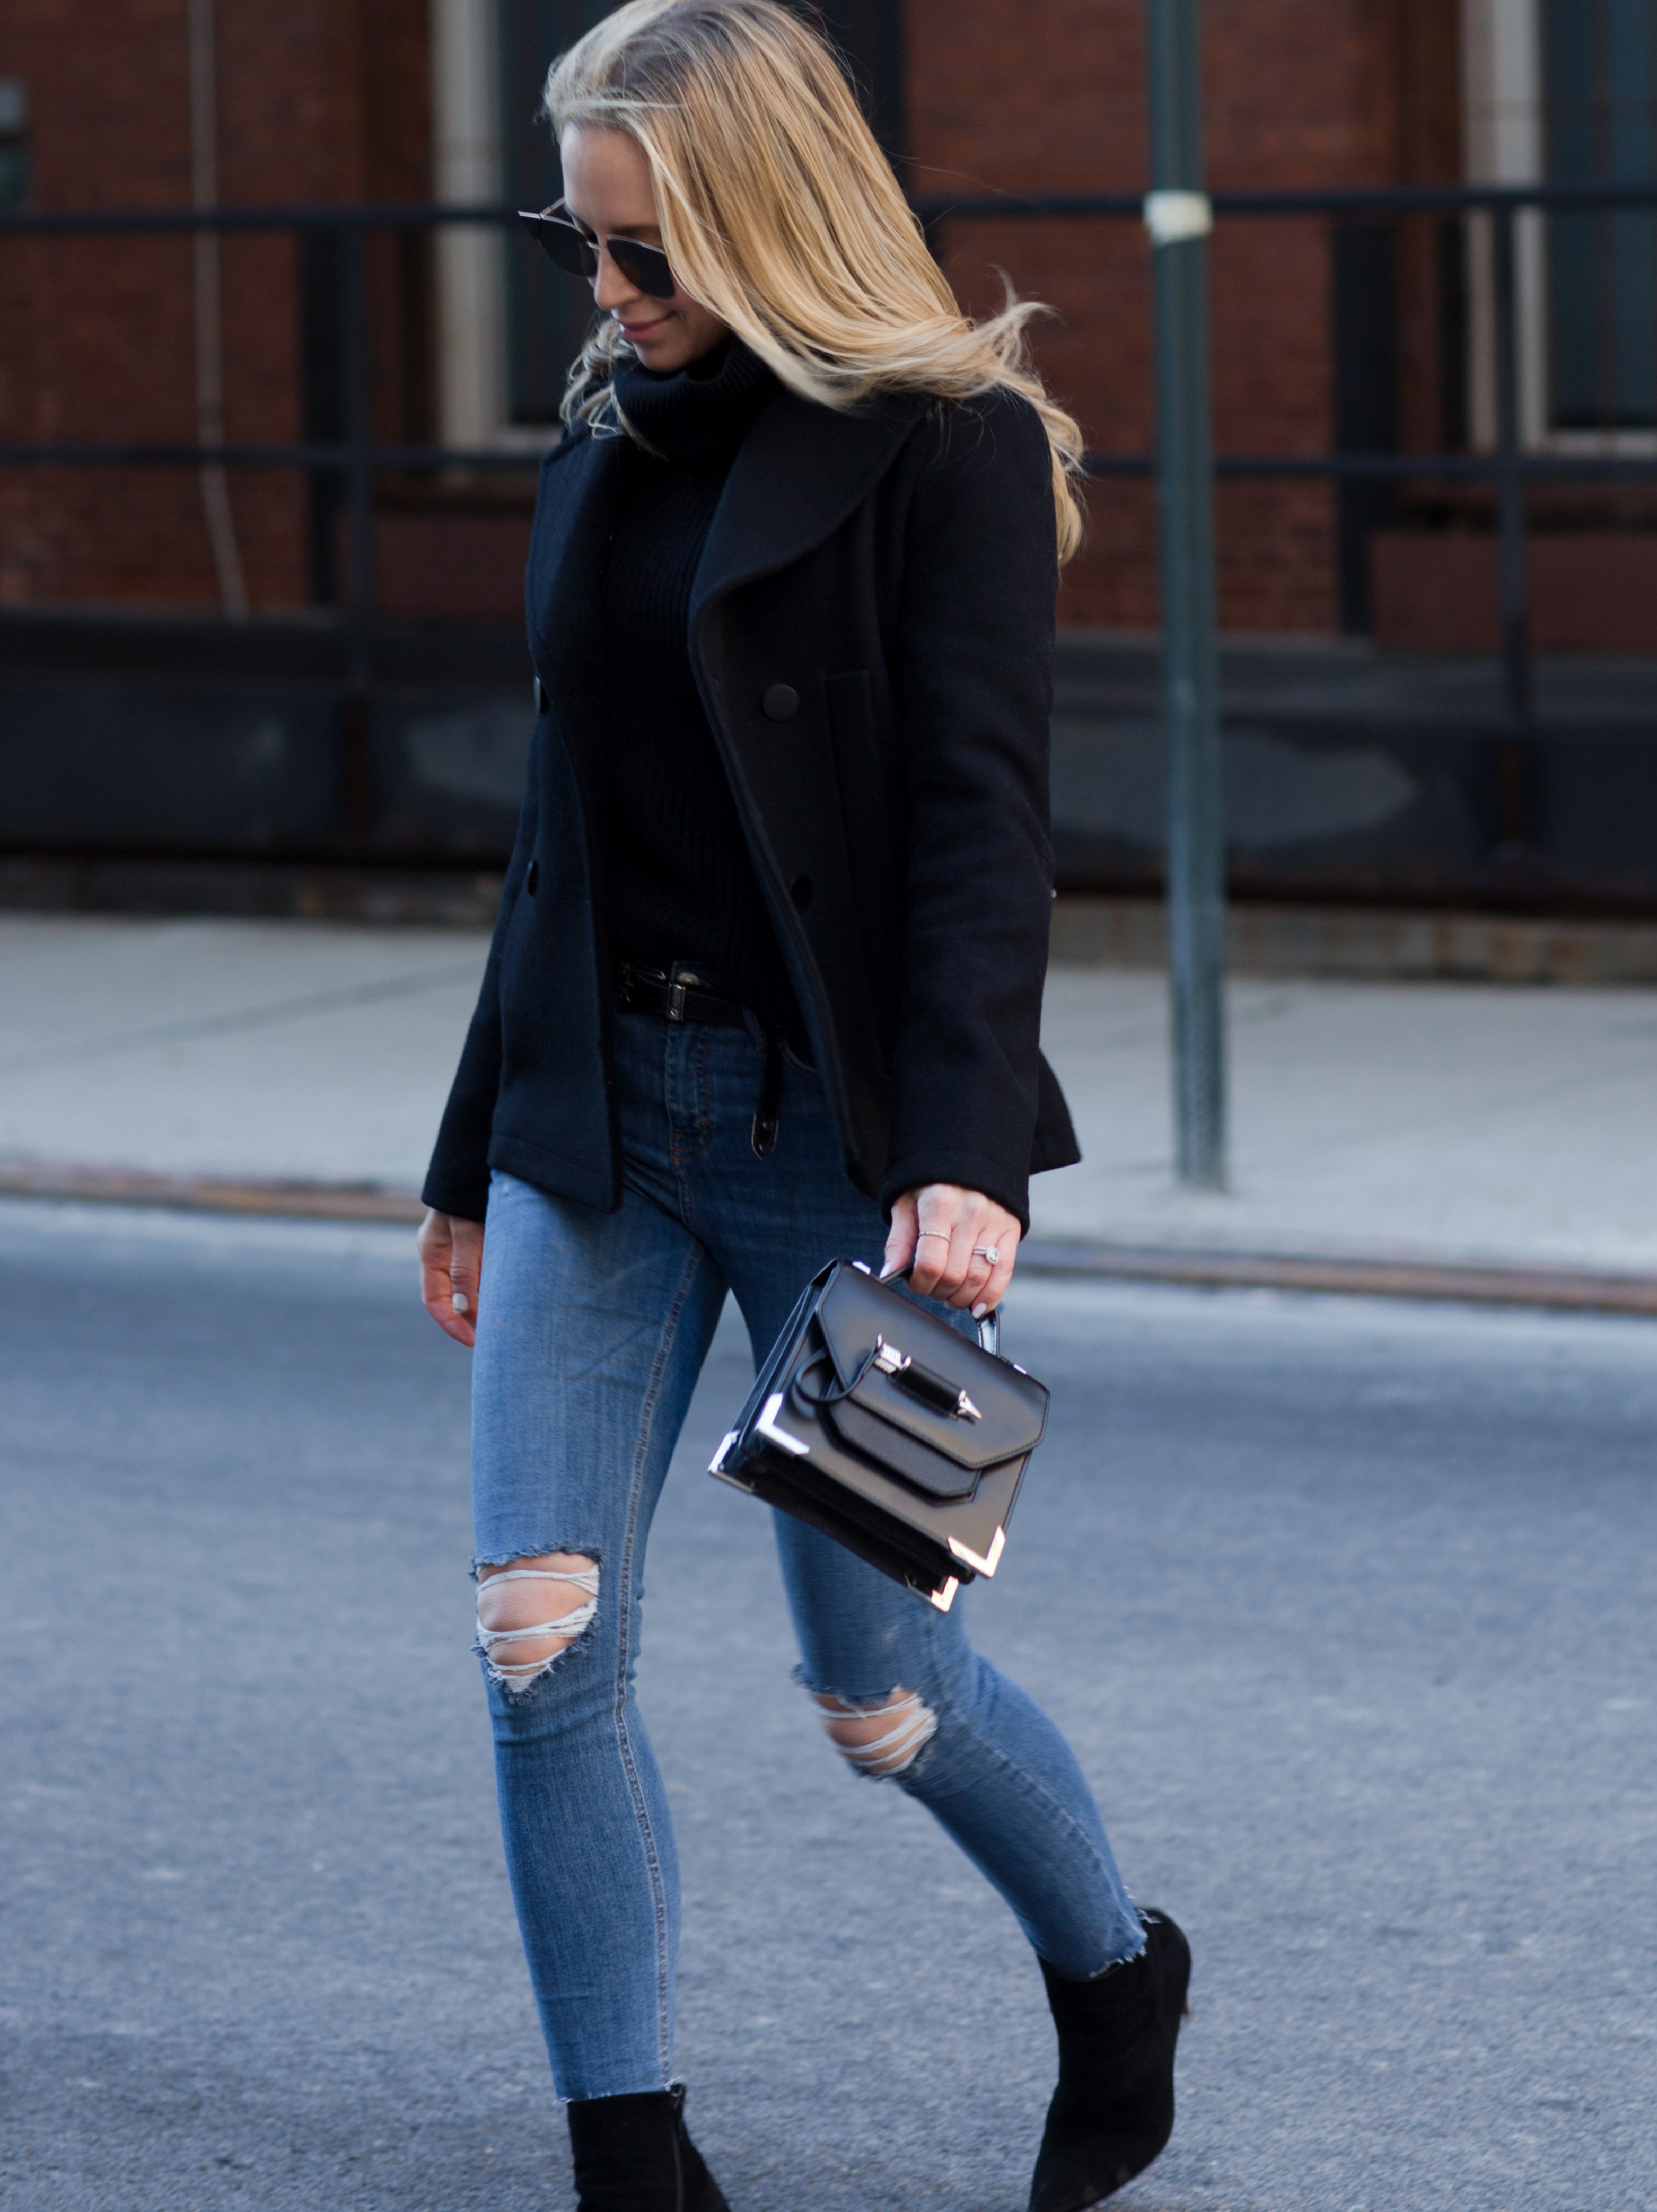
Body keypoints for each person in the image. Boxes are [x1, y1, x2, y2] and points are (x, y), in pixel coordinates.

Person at [416, 4, 1189, 2205]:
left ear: (764, 224)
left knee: (883, 1692)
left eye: (643, 256)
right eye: (580, 246)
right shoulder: (604, 435)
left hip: (839, 1152)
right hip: (598, 1123)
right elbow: (558, 828)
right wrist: (470, 1157)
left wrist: (959, 1157)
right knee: (536, 1622)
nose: (606, 296)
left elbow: (973, 829)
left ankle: (1115, 1968)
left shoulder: (939, 453)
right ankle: (629, 2148)